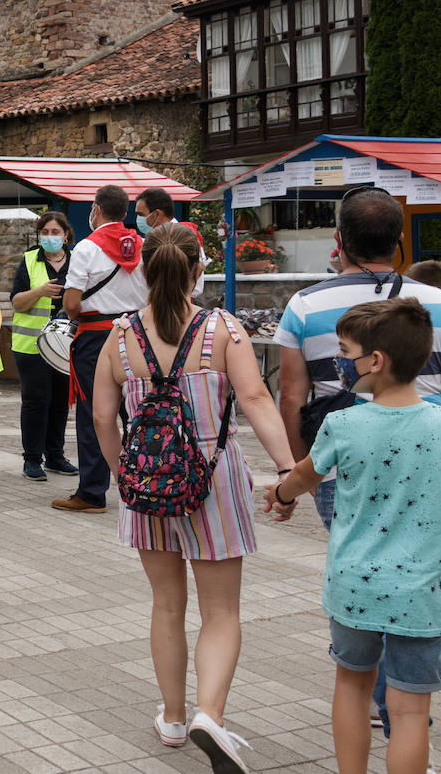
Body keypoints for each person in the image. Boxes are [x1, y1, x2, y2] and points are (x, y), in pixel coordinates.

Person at [94, 223, 295, 773]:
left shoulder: (120, 335)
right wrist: (285, 471)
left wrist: (125, 477)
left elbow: (100, 416)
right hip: (213, 478)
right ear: (196, 269)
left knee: (165, 604)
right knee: (221, 610)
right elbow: (254, 397)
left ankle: (177, 718)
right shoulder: (222, 328)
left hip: (147, 484)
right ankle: (212, 713)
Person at [275, 185, 441, 734]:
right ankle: (404, 699)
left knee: (362, 559)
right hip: (429, 459)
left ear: (339, 240)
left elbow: (291, 395)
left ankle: (380, 692)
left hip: (340, 460)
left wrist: (298, 471)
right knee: (417, 562)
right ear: (400, 240)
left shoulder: (305, 306)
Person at [264, 298, 441, 774]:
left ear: (375, 361)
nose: (341, 362)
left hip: (355, 589)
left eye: (345, 352)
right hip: (423, 597)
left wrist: (280, 494)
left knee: (353, 689)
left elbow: (302, 478)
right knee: (412, 710)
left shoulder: (343, 423)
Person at [56, 184, 148, 513]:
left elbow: (71, 302)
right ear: (125, 212)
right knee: (136, 410)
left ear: (96, 209)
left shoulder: (87, 247)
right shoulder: (143, 244)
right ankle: (146, 482)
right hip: (137, 334)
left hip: (96, 336)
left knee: (94, 412)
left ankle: (93, 492)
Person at [9, 211, 77, 481]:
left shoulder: (77, 261)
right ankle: (32, 459)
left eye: (55, 232)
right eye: (45, 232)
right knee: (36, 402)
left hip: (65, 346)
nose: (50, 237)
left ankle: (56, 456)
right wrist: (40, 292)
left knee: (61, 403)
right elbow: (16, 302)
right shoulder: (29, 261)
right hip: (31, 346)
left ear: (66, 235)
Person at [134, 187, 207, 298]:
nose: (139, 219)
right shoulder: (149, 240)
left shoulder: (187, 237)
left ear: (156, 214)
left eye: (141, 214)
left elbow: (197, 288)